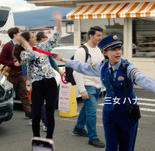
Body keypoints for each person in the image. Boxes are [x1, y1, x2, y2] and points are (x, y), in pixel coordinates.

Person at [54, 34, 155, 151]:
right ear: (105, 53)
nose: (118, 52)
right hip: (109, 114)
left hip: (127, 114)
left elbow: (139, 77)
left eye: (119, 49)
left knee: (126, 148)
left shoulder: (127, 67)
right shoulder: (102, 66)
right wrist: (64, 60)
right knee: (110, 147)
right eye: (113, 50)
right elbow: (83, 66)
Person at [13, 11, 62, 139]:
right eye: (33, 37)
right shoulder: (24, 53)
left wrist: (59, 21)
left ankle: (49, 139)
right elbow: (31, 54)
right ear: (28, 40)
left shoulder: (42, 46)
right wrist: (24, 42)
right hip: (38, 84)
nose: (35, 37)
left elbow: (56, 37)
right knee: (37, 113)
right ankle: (36, 139)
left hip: (50, 82)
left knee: (50, 113)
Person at [72, 26, 105, 148]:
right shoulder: (82, 51)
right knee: (91, 112)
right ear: (91, 36)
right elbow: (77, 71)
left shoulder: (98, 50)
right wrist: (82, 90)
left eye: (101, 35)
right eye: (98, 35)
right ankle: (93, 138)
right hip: (87, 86)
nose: (100, 38)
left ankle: (79, 128)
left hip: (97, 85)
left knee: (86, 109)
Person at [0, 27, 31, 118]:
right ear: (15, 35)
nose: (21, 34)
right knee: (6, 96)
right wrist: (13, 63)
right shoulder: (7, 46)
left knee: (24, 95)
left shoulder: (22, 45)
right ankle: (4, 114)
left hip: (21, 74)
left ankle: (29, 115)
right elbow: (1, 60)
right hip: (10, 76)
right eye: (19, 32)